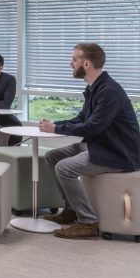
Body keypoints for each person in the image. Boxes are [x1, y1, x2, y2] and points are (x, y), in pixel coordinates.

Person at [39, 43, 140, 239]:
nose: (71, 63)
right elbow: (82, 119)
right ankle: (71, 209)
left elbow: (92, 127)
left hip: (118, 153)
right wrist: (54, 125)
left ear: (86, 64)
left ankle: (88, 222)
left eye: (74, 59)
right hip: (100, 145)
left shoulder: (109, 91)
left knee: (64, 168)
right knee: (52, 156)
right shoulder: (95, 88)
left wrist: (56, 129)